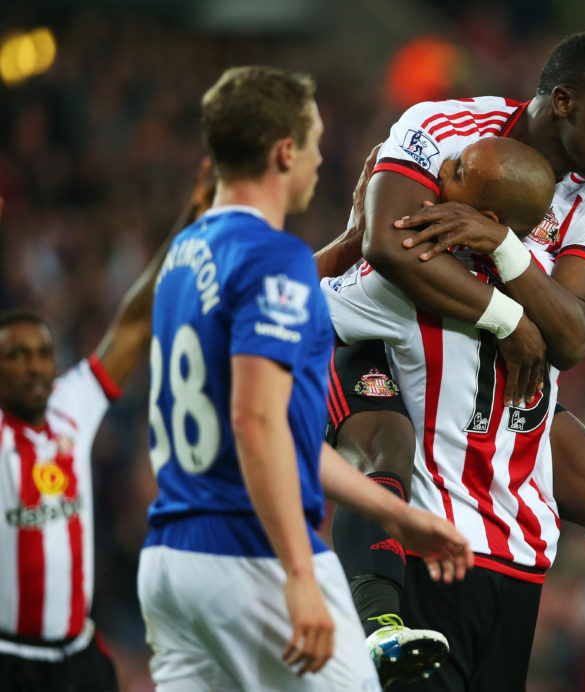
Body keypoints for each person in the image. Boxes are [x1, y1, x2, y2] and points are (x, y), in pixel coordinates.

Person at [319, 31, 585, 690]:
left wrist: (505, 254)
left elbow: (571, 340)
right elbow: (382, 245)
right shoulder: (442, 129)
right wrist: (510, 315)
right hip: (368, 348)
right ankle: (380, 623)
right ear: (566, 102)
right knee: (386, 438)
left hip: (487, 392)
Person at [136, 65, 472, 692]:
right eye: (316, 142)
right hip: (245, 550)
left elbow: (277, 431)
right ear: (285, 152)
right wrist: (297, 573)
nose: (322, 160)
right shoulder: (275, 259)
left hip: (169, 562)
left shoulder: (182, 256)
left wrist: (391, 513)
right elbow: (257, 422)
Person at [323, 135, 563, 691]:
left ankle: (376, 614)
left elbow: (280, 306)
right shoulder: (549, 284)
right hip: (523, 557)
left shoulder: (411, 276)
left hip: (440, 550)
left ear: (482, 216)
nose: (437, 170)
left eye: (456, 172)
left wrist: (354, 239)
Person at [0, 162, 214, 691]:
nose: (34, 365)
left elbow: (136, 323)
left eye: (42, 353)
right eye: (17, 355)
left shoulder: (71, 406)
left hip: (81, 656)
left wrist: (187, 221)